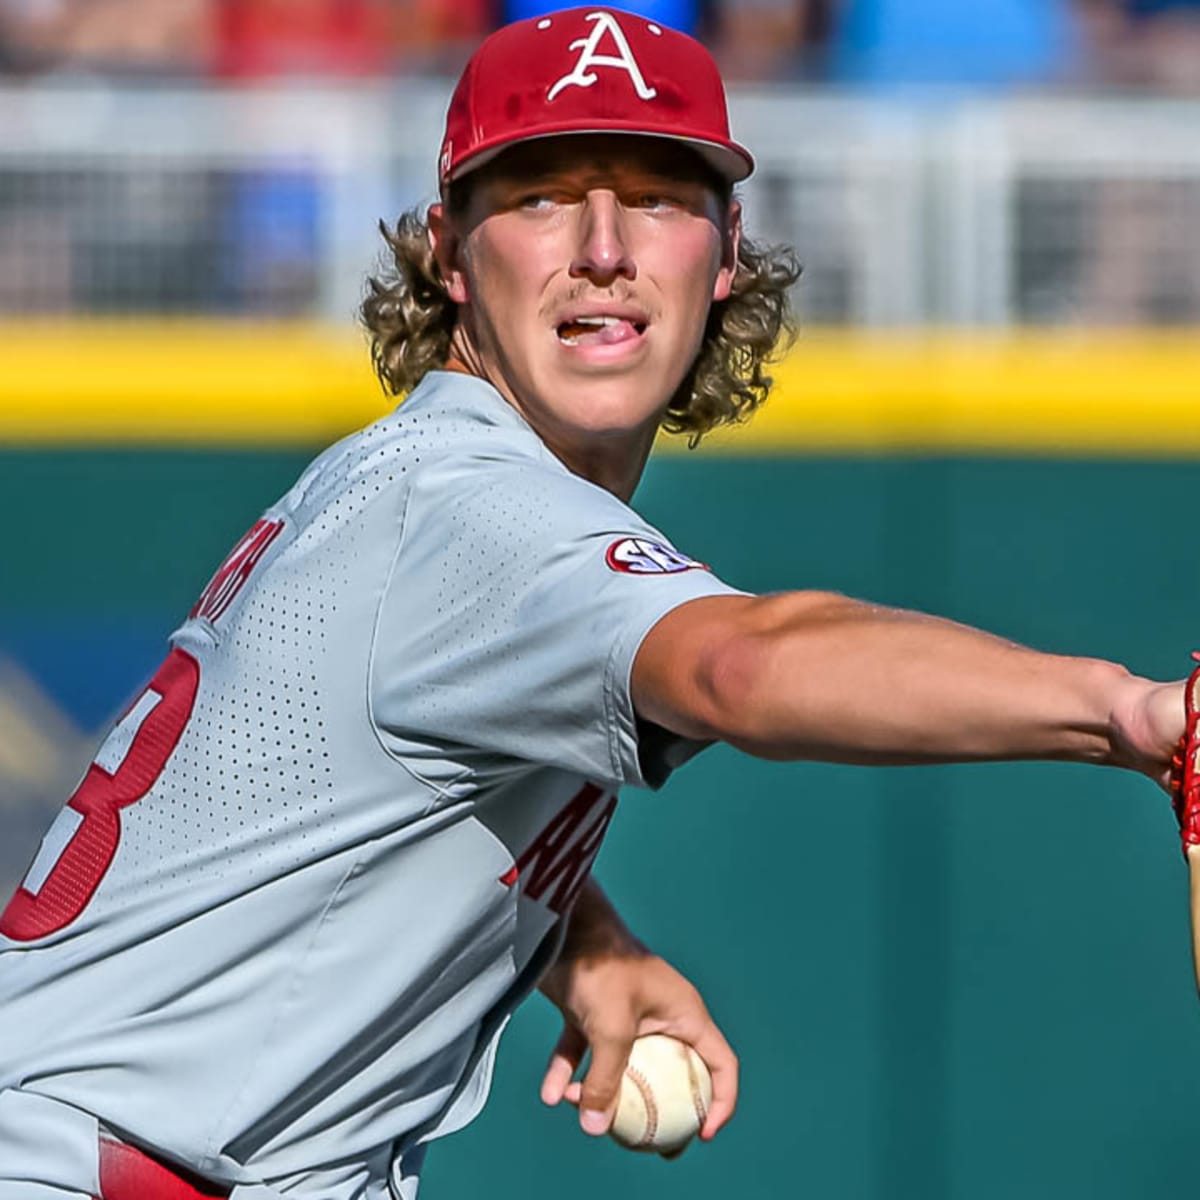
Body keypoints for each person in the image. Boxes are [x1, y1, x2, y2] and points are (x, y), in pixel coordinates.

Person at [0, 7, 1187, 1198]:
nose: (604, 246)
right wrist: (1129, 713)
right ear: (450, 257)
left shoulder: (411, 479)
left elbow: (376, 795)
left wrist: (589, 943)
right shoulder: (478, 514)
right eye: (540, 197)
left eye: (660, 197)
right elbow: (746, 668)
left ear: (724, 255)